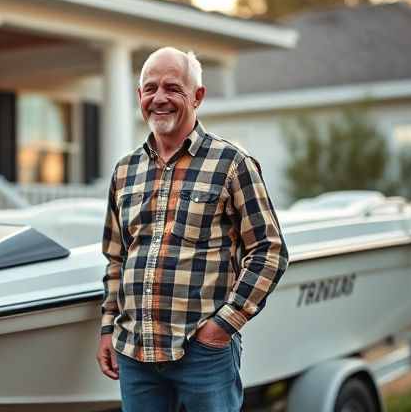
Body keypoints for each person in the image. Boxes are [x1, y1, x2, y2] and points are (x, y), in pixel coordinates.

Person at [95, 47, 289, 412]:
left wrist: (222, 327)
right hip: (136, 354)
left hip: (203, 355)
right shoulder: (125, 172)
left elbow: (269, 250)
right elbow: (116, 259)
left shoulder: (232, 164)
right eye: (150, 88)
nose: (160, 98)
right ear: (139, 97)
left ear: (197, 96)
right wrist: (108, 329)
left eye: (173, 88)